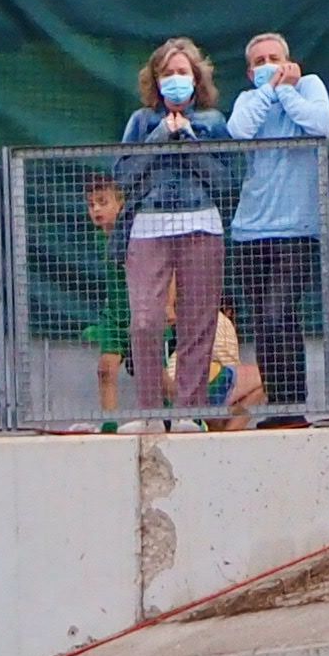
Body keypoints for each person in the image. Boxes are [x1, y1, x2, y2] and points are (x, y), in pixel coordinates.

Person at [95, 36, 227, 426]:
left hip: (201, 224)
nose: (175, 79)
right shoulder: (140, 121)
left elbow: (227, 180)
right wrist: (157, 140)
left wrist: (191, 143)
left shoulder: (213, 122)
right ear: (155, 79)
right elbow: (123, 175)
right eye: (167, 73)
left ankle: (190, 413)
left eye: (182, 72)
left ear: (196, 77)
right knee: (146, 320)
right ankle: (151, 412)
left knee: (197, 321)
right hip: (148, 228)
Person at [219, 30, 329, 416]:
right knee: (263, 322)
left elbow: (320, 123)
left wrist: (287, 89)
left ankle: (293, 405)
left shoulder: (309, 87)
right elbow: (239, 131)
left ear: (289, 62)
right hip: (251, 230)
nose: (268, 67)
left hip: (296, 230)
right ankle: (276, 404)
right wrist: (269, 91)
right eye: (259, 62)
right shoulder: (249, 100)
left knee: (278, 312)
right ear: (250, 72)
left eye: (274, 59)